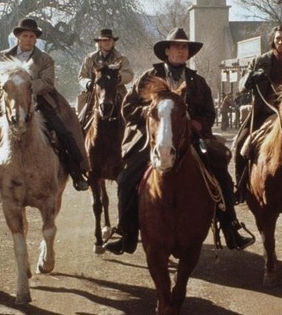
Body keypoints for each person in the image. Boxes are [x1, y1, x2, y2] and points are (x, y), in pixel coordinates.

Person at [103, 27, 254, 255]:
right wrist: (153, 114)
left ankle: (230, 226)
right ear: (167, 50)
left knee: (220, 171)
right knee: (126, 178)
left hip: (189, 140)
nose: (181, 51)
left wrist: (198, 124)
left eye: (185, 47)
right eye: (177, 46)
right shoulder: (148, 77)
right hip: (153, 140)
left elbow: (209, 113)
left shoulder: (198, 82)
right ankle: (125, 232)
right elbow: (128, 107)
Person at [0, 18, 89, 205]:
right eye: (25, 35)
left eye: (32, 36)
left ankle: (77, 172)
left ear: (36, 39)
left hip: (39, 102)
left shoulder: (45, 59)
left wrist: (26, 89)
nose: (28, 39)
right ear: (18, 37)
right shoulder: (1, 57)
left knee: (63, 130)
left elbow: (48, 82)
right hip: (8, 103)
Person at [232, 25, 282, 203]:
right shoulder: (261, 61)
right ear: (273, 41)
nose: (280, 42)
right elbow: (241, 86)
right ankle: (240, 186)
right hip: (264, 112)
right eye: (277, 38)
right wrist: (250, 78)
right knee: (241, 143)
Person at [76, 28, 133, 124]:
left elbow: (129, 74)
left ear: (113, 42)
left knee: (129, 117)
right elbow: (82, 76)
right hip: (94, 92)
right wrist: (89, 83)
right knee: (80, 120)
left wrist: (119, 78)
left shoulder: (122, 59)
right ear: (99, 42)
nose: (107, 42)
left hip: (116, 90)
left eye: (109, 40)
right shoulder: (89, 58)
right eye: (103, 40)